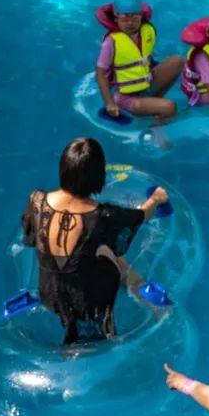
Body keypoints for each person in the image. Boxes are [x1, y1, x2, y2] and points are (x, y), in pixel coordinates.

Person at [22, 137, 170, 343]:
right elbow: (141, 216)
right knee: (113, 255)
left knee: (95, 249)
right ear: (98, 176)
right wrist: (156, 199)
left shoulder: (36, 200)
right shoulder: (102, 215)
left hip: (49, 291)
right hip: (86, 301)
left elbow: (30, 240)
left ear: (63, 169)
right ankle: (145, 296)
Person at [95, 0, 184, 124]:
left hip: (147, 83)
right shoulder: (111, 42)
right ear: (116, 19)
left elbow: (145, 58)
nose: (130, 23)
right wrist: (109, 103)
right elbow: (100, 74)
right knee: (170, 107)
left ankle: (154, 102)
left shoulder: (146, 32)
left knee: (178, 61)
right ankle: (156, 128)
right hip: (125, 96)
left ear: (141, 17)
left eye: (135, 19)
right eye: (125, 20)